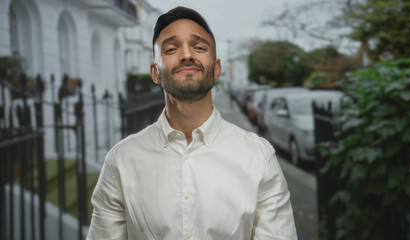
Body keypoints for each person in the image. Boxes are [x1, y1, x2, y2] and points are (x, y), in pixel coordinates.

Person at [87, 6, 297, 240]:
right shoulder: (121, 160)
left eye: (198, 47)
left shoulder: (259, 158)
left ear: (216, 69)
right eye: (171, 48)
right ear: (155, 72)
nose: (187, 54)